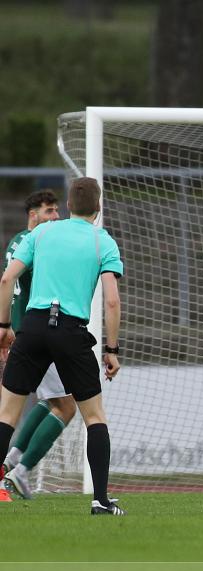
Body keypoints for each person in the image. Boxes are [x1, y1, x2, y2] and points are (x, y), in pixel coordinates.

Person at [0, 177, 124, 515]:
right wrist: (112, 349)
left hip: (34, 325)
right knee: (94, 417)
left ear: (68, 205)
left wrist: (4, 326)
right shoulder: (102, 241)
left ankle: (12, 474)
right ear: (98, 207)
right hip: (70, 330)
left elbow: (7, 278)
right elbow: (111, 301)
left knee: (7, 415)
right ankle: (100, 500)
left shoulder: (41, 233)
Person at [1, 190, 78, 502]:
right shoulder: (36, 244)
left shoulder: (17, 241)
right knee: (67, 405)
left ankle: (11, 461)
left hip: (22, 333)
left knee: (48, 401)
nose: (55, 217)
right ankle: (20, 470)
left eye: (57, 210)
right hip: (38, 332)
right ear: (33, 214)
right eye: (49, 211)